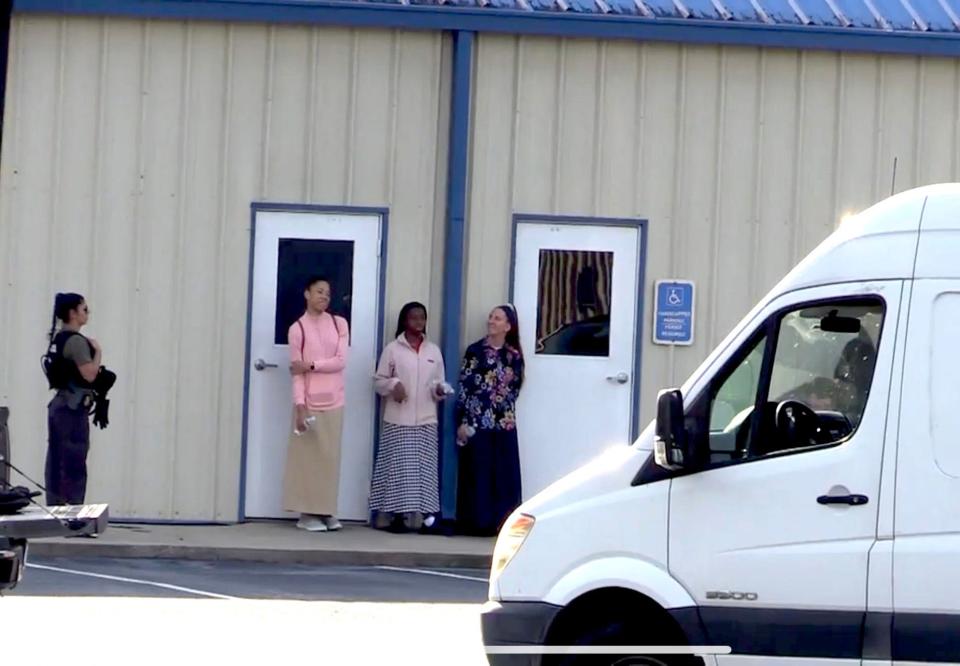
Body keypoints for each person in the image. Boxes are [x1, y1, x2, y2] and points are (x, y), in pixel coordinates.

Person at [370, 302, 450, 533]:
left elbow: (438, 382)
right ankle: (396, 516)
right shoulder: (393, 349)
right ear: (404, 321)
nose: (418, 322)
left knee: (424, 470)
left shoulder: (433, 351)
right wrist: (394, 385)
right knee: (399, 469)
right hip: (399, 418)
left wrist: (440, 391)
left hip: (426, 418)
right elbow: (379, 380)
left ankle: (427, 518)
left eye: (422, 318)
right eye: (413, 318)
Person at [283, 276, 349, 532]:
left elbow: (340, 361)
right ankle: (307, 513)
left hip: (335, 400)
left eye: (328, 293)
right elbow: (296, 372)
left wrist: (312, 365)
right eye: (319, 292)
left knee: (329, 458)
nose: (324, 297)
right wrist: (299, 405)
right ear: (307, 294)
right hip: (309, 402)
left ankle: (327, 509)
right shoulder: (297, 329)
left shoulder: (338, 323)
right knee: (308, 459)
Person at [455, 304, 525, 536]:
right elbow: (464, 386)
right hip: (478, 422)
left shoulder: (513, 356)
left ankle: (503, 521)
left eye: (497, 318)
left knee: (503, 473)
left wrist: (500, 407)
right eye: (490, 317)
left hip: (503, 423)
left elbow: (515, 387)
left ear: (508, 325)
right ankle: (478, 522)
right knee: (479, 472)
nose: (492, 321)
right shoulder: (475, 351)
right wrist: (464, 421)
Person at [43, 293, 102, 506]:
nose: (87, 314)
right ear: (72, 313)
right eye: (84, 309)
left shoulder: (59, 338)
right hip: (72, 407)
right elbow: (90, 374)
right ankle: (72, 510)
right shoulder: (77, 342)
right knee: (74, 460)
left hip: (60, 404)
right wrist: (97, 353)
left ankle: (56, 507)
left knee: (57, 459)